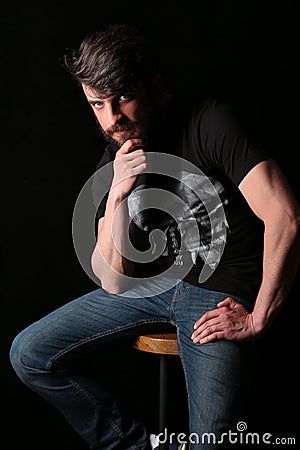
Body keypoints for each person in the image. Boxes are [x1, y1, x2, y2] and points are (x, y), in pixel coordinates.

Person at [9, 23, 300, 450]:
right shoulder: (119, 150)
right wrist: (118, 196)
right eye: (97, 104)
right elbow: (111, 278)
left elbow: (285, 215)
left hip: (218, 295)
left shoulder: (210, 121)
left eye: (123, 97)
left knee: (210, 444)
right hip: (156, 288)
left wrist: (259, 317)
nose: (112, 119)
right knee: (29, 354)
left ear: (154, 86)